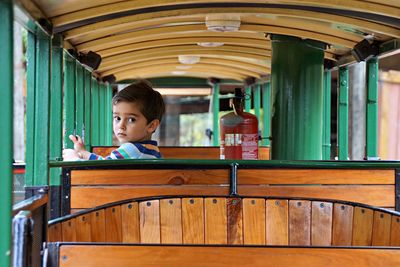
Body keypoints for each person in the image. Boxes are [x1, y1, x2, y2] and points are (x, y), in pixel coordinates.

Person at [62, 80, 165, 160]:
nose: (121, 125)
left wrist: (74, 158)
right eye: (117, 118)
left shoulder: (131, 149)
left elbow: (101, 167)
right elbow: (105, 163)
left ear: (151, 125)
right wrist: (84, 153)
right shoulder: (151, 149)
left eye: (131, 119)